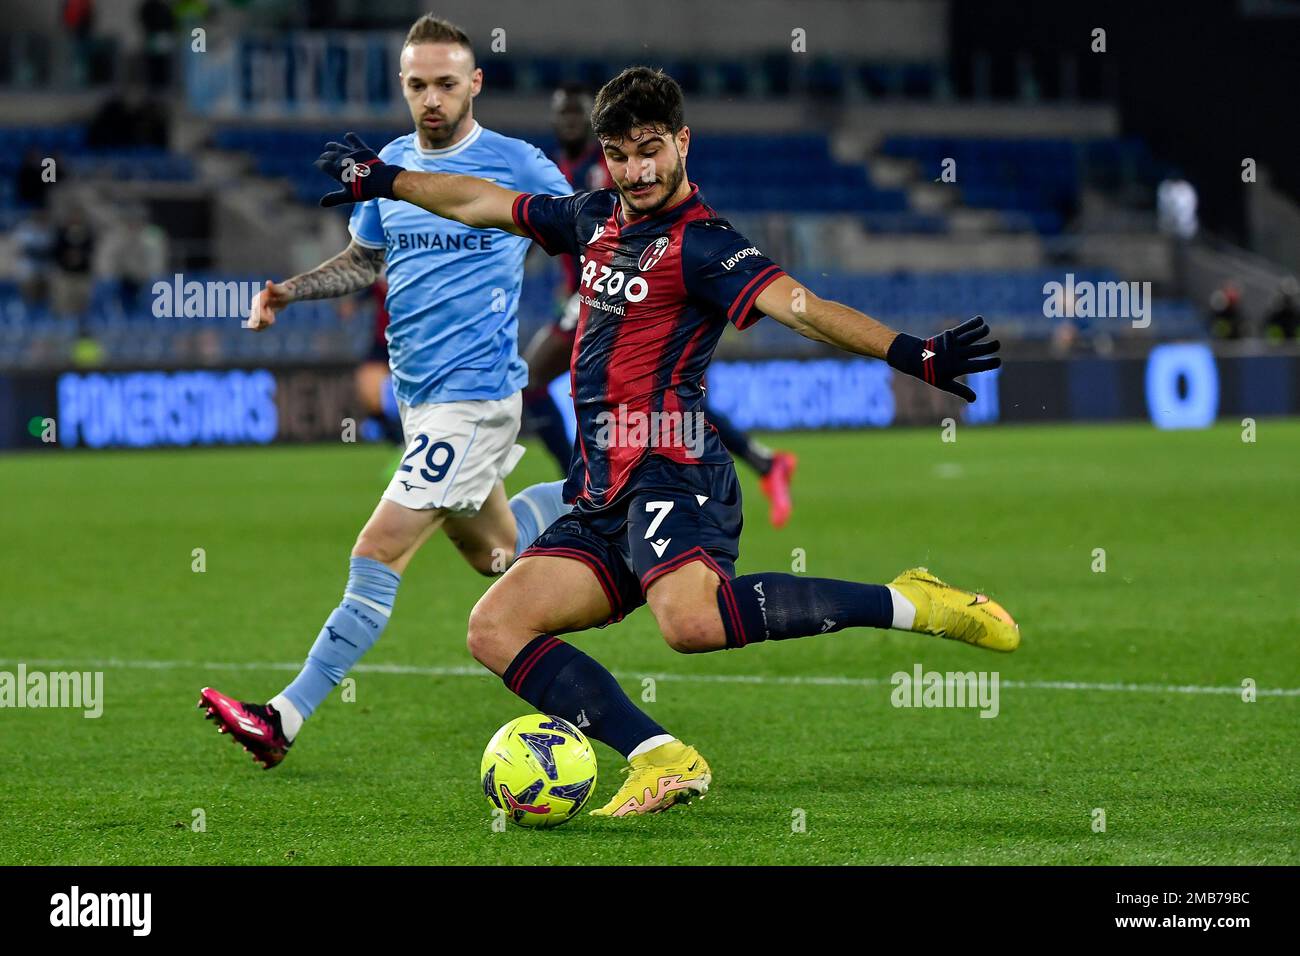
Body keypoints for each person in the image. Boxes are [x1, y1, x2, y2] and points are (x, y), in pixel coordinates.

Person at [313, 66, 1018, 817]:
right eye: (619, 153)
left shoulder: (706, 245)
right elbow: (483, 202)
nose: (635, 170)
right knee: (494, 628)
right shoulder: (592, 217)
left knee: (690, 624)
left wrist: (913, 353)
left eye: (650, 149)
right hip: (600, 489)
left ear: (682, 141)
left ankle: (912, 603)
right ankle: (662, 758)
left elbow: (802, 307)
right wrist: (389, 179)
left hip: (673, 472)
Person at [198, 16, 575, 769]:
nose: (429, 98)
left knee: (379, 550)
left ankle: (283, 716)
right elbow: (365, 260)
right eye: (415, 85)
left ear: (475, 83)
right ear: (402, 87)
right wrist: (291, 290)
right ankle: (605, 499)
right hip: (422, 401)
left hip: (477, 398)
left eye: (444, 83)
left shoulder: (519, 164)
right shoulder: (390, 168)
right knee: (499, 556)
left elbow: (590, 232)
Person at [522, 84, 799, 527]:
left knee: (534, 378)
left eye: (577, 113)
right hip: (588, 296)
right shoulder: (562, 166)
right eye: (562, 114)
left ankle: (576, 488)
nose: (569, 121)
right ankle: (764, 461)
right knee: (657, 405)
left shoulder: (611, 163)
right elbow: (561, 227)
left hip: (621, 294)